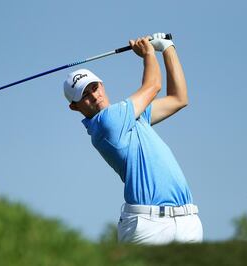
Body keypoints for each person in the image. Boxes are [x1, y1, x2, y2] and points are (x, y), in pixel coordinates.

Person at [63, 33, 203, 245]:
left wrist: (167, 47)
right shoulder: (106, 122)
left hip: (187, 220)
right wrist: (148, 52)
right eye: (84, 95)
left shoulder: (132, 117)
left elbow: (179, 98)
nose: (94, 96)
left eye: (94, 87)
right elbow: (153, 85)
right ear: (75, 107)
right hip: (148, 225)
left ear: (102, 84)